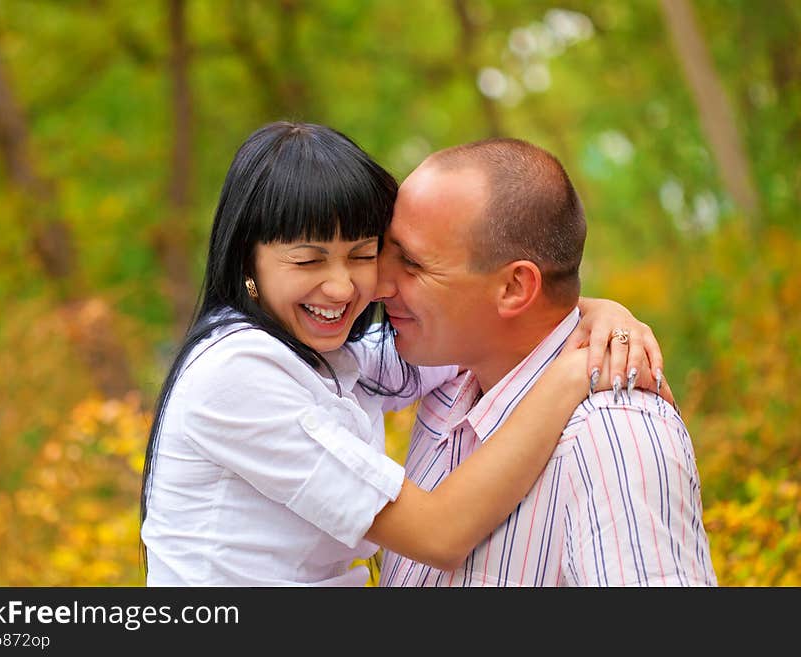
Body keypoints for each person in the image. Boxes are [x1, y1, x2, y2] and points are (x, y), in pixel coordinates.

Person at [139, 121, 667, 586]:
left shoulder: (330, 358)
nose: (343, 288)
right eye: (307, 262)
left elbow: (479, 334)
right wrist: (577, 372)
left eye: (364, 256)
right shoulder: (238, 373)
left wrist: (593, 314)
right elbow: (438, 533)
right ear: (247, 262)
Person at [376, 137, 717, 587]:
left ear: (515, 288)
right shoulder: (444, 375)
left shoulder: (614, 437)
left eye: (413, 264)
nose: (380, 283)